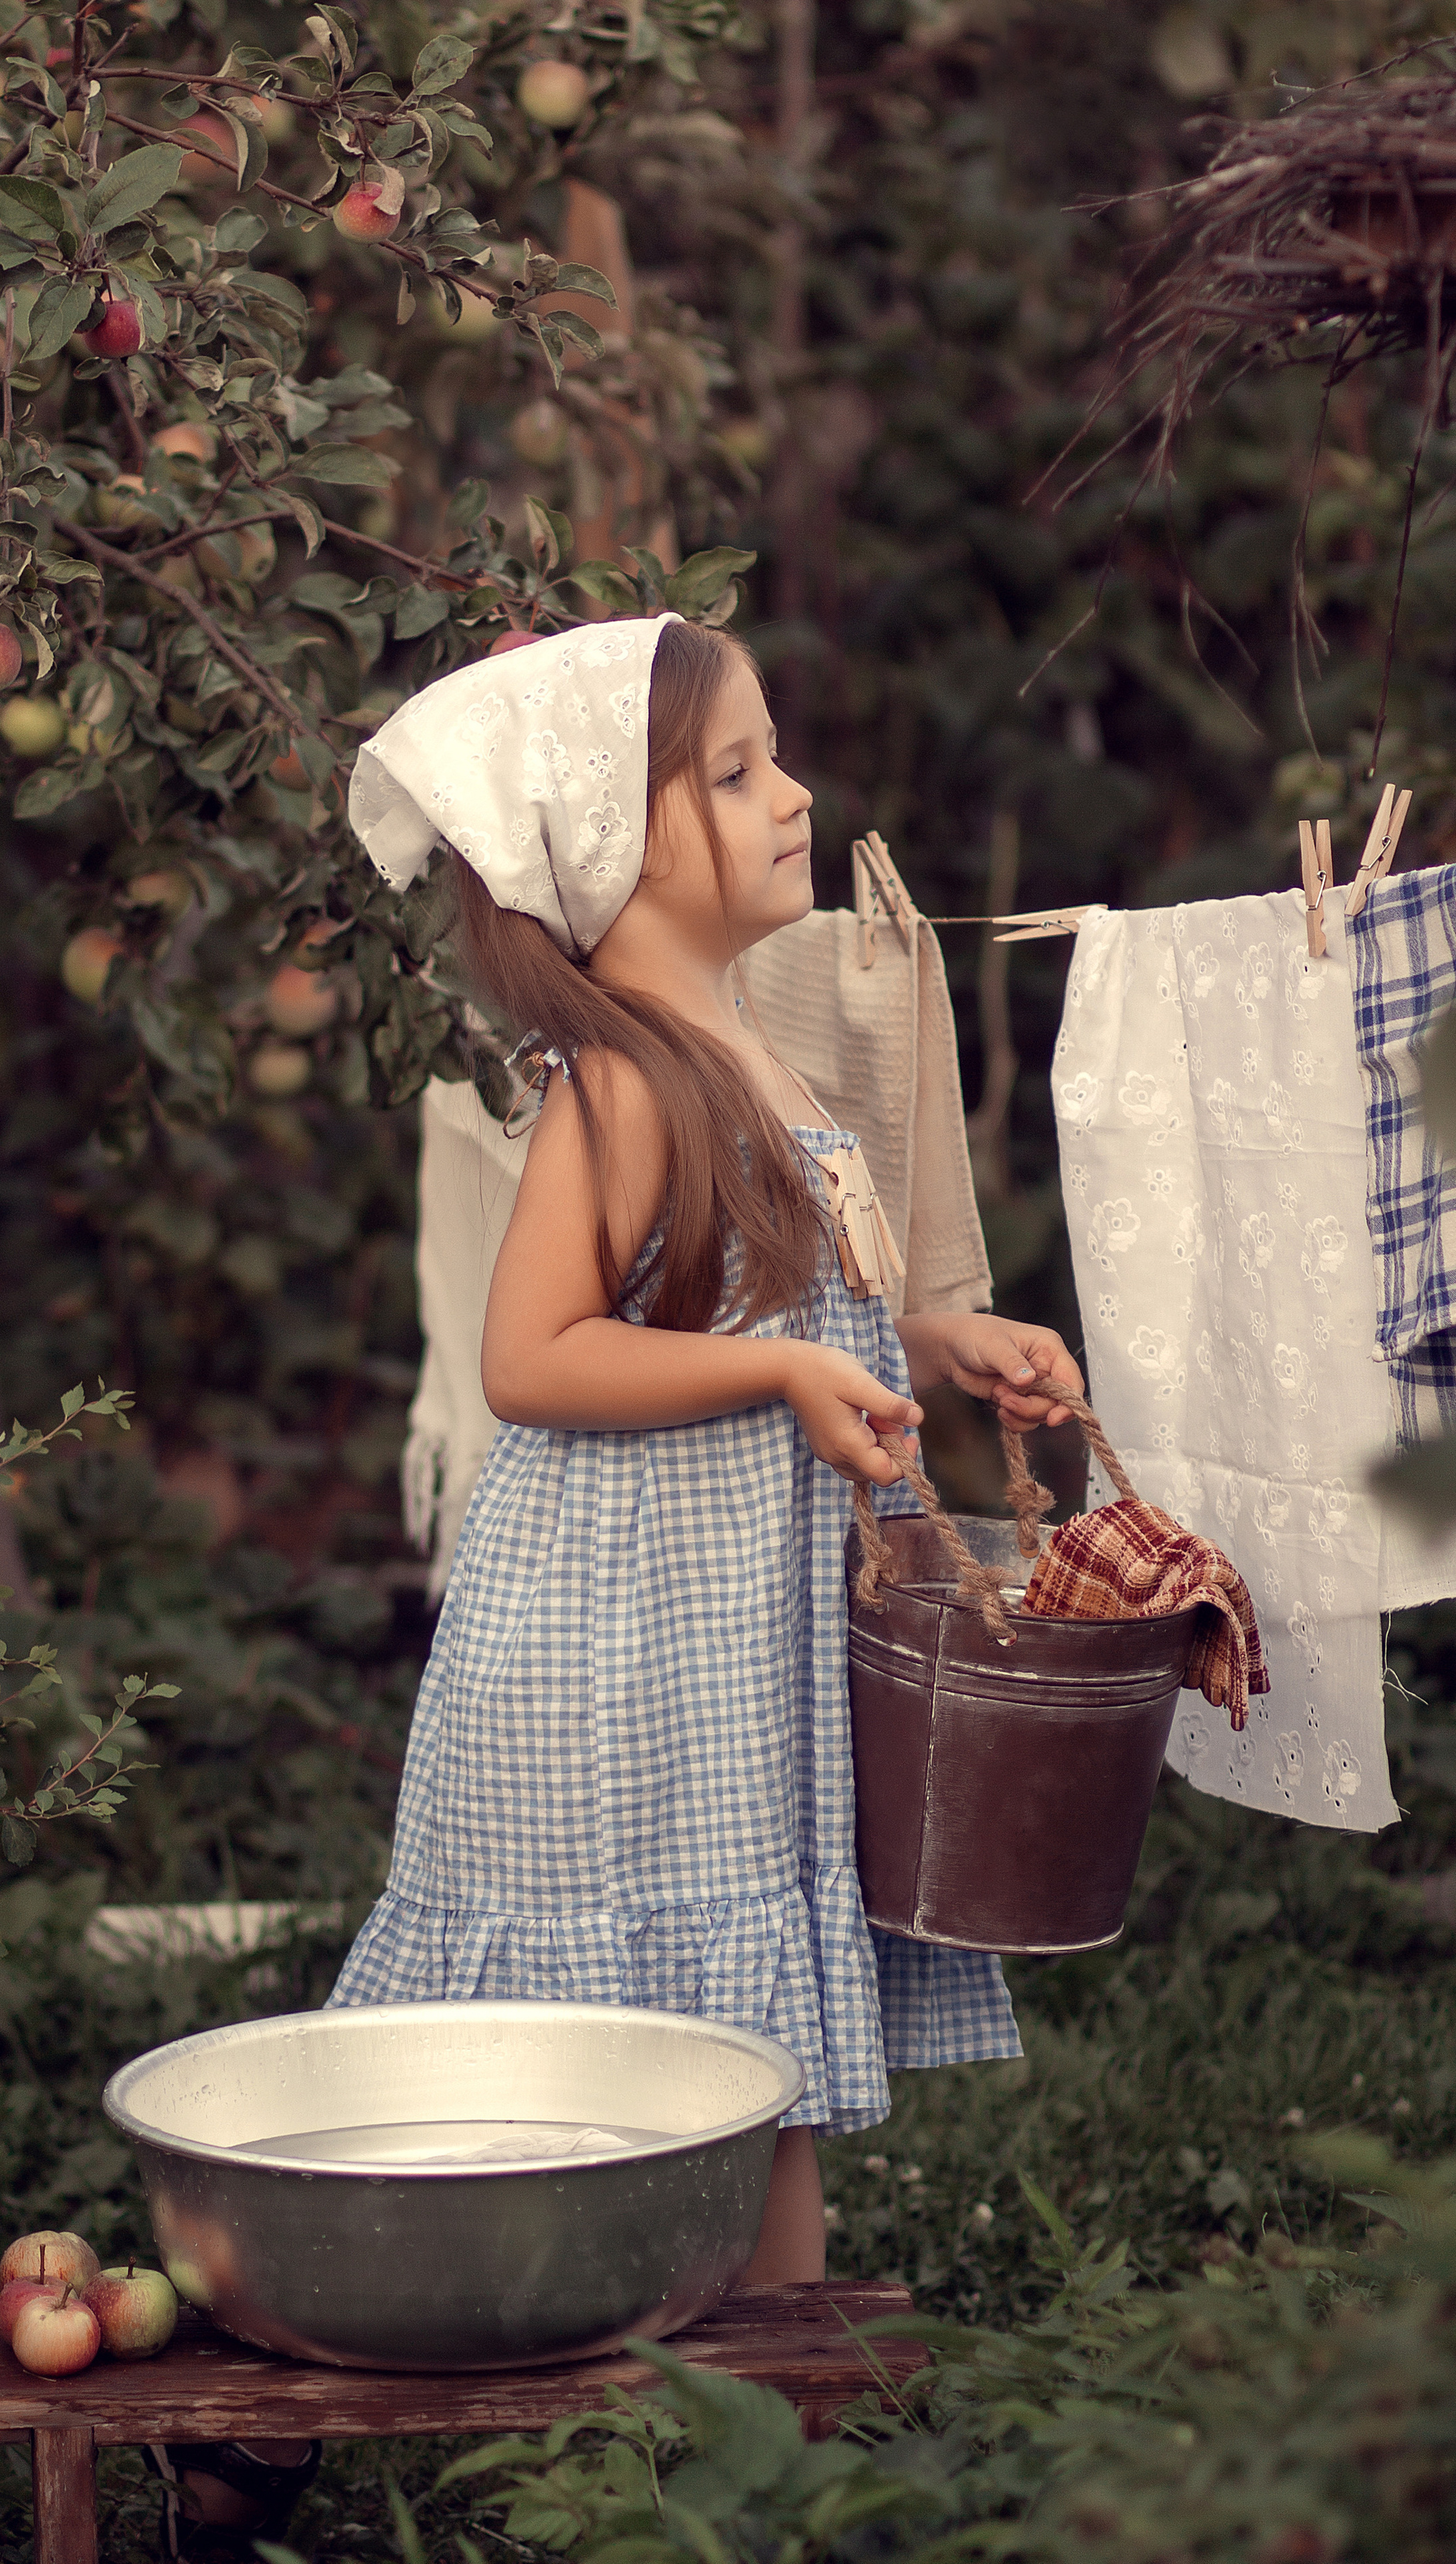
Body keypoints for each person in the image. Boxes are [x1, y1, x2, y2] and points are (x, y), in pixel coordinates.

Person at [149, 614, 1081, 2559]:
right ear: (614, 839)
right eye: (733, 772)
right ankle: (275, 2411)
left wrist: (930, 1339)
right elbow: (537, 1357)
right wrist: (780, 1373)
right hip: (610, 1645)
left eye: (771, 759)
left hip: (728, 1648)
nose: (791, 794)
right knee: (526, 2071)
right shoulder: (615, 1076)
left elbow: (760, 1292)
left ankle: (752, 2477)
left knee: (752, 2076)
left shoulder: (746, 1046)